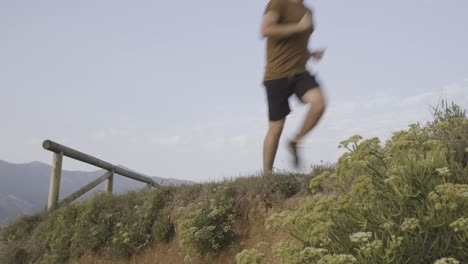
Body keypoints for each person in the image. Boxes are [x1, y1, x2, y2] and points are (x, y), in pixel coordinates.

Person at [261, 0, 326, 176]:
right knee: (276, 127)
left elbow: (297, 43)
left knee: (319, 103)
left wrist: (310, 53)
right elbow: (266, 30)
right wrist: (298, 27)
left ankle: (295, 141)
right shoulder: (278, 3)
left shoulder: (307, 10)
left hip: (299, 73)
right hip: (276, 75)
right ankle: (267, 176)